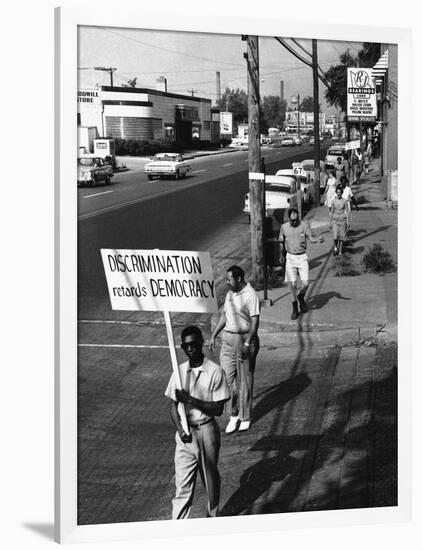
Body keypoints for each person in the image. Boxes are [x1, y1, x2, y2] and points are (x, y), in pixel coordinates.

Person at [165, 325, 230, 520]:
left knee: (209, 479)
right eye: (186, 346)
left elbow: (218, 409)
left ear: (201, 343)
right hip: (185, 435)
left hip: (206, 431)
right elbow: (172, 406)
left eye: (193, 344)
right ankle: (178, 527)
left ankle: (212, 516)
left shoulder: (215, 371)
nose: (190, 349)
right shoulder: (179, 372)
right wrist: (180, 429)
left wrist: (191, 400)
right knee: (182, 486)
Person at [209, 266, 260, 434]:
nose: (226, 282)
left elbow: (254, 322)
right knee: (226, 380)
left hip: (244, 338)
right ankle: (233, 414)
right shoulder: (230, 293)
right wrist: (214, 335)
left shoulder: (250, 295)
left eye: (229, 279)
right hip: (228, 339)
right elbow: (224, 315)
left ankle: (245, 417)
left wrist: (247, 344)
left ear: (238, 279)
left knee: (245, 380)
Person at [278, 208, 322, 320]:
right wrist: (281, 255)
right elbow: (281, 242)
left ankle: (301, 296)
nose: (294, 222)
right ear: (289, 219)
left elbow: (310, 238)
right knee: (292, 285)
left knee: (305, 283)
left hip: (302, 257)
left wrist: (317, 240)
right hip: (290, 257)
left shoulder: (304, 225)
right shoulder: (284, 227)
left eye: (296, 219)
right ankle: (295, 308)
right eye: (292, 220)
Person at [330, 185, 350, 256]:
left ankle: (340, 251)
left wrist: (348, 221)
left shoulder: (344, 201)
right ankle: (335, 247)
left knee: (341, 237)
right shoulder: (333, 201)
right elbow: (331, 212)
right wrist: (330, 222)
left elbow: (347, 211)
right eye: (337, 192)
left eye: (340, 192)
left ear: (342, 193)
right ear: (336, 192)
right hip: (335, 220)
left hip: (342, 220)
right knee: (335, 236)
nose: (339, 193)